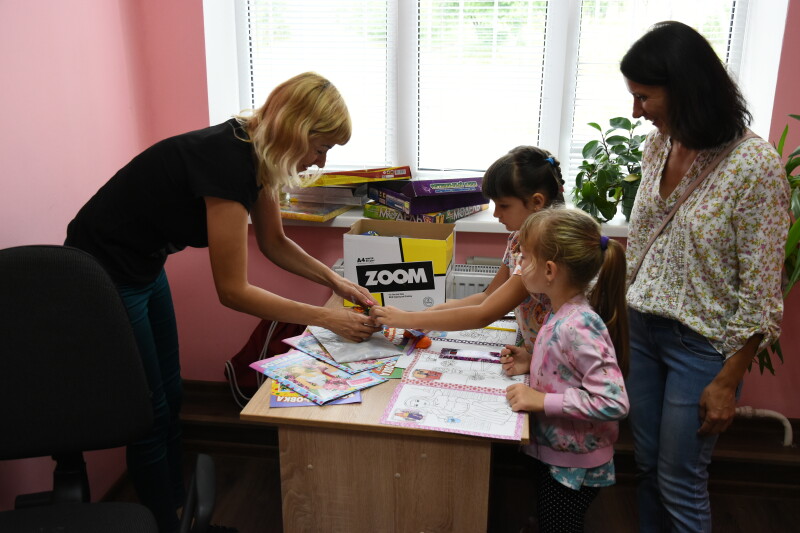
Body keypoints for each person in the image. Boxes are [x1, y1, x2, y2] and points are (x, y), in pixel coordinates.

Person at [65, 72, 379, 532]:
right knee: (149, 411)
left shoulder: (257, 149)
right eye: (321, 147)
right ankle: (165, 523)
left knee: (171, 394)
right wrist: (326, 319)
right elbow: (233, 291)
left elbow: (274, 242)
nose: (320, 160)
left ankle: (176, 511)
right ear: (296, 129)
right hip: (101, 272)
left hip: (143, 264)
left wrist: (339, 282)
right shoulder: (227, 161)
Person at [620, 21, 790, 533]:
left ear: (685, 89)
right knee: (646, 467)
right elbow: (643, 240)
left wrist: (728, 380)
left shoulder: (754, 167)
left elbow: (761, 292)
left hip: (701, 347)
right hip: (643, 330)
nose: (636, 112)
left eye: (644, 96)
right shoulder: (659, 146)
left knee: (680, 481)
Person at [502, 207, 629, 533]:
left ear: (549, 270)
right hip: (555, 454)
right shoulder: (560, 312)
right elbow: (567, 369)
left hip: (573, 466)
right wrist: (531, 360)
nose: (518, 265)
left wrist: (541, 401)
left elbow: (613, 401)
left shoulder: (580, 324)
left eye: (524, 258)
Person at [372, 145, 564, 349]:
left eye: (504, 205)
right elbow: (487, 296)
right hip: (534, 348)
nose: (496, 214)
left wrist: (407, 319)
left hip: (553, 353)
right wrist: (430, 313)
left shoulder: (540, 253)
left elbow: (484, 314)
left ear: (536, 202)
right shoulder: (518, 239)